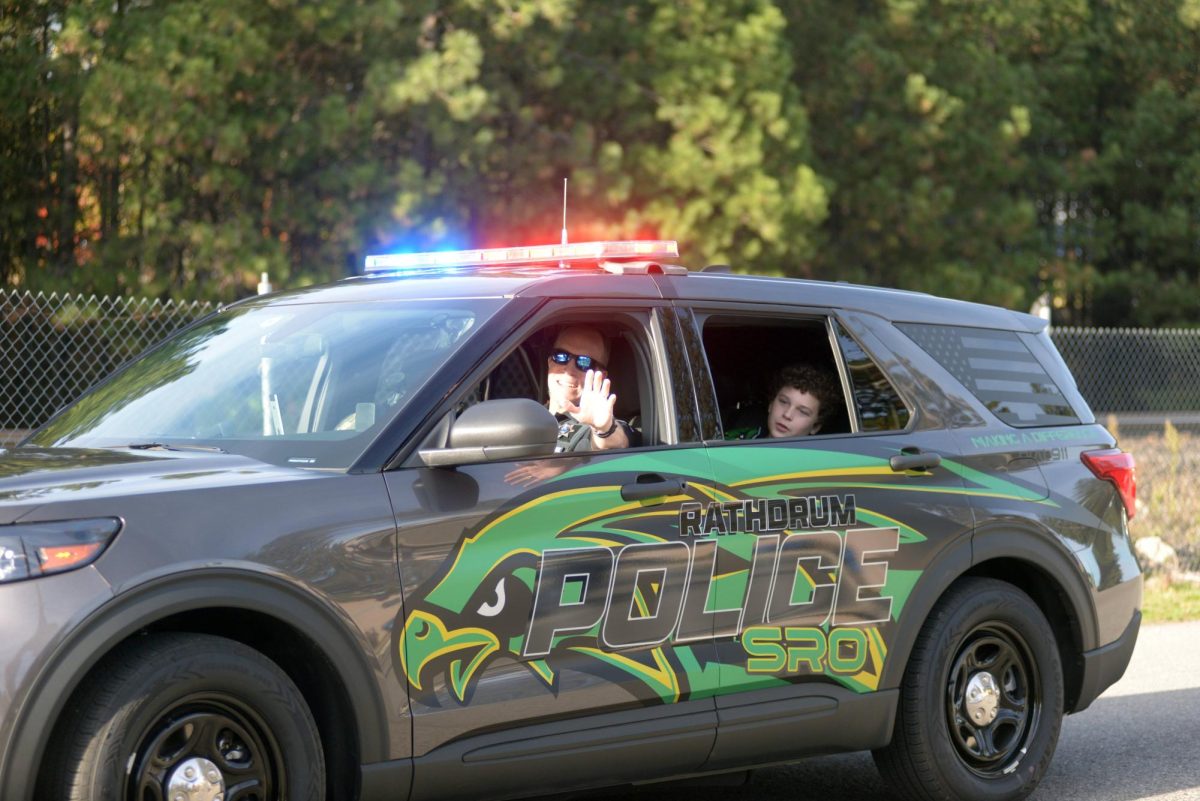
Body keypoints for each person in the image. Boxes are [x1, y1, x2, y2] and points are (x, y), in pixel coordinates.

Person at [545, 325, 635, 452]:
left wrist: (604, 430)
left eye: (584, 362)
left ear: (601, 376)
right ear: (550, 361)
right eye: (561, 356)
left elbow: (614, 443)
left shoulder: (595, 424)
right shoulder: (527, 414)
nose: (569, 370)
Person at [726, 363, 839, 440]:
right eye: (784, 402)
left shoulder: (811, 469)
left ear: (815, 427)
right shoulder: (740, 436)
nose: (787, 414)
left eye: (803, 412)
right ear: (771, 404)